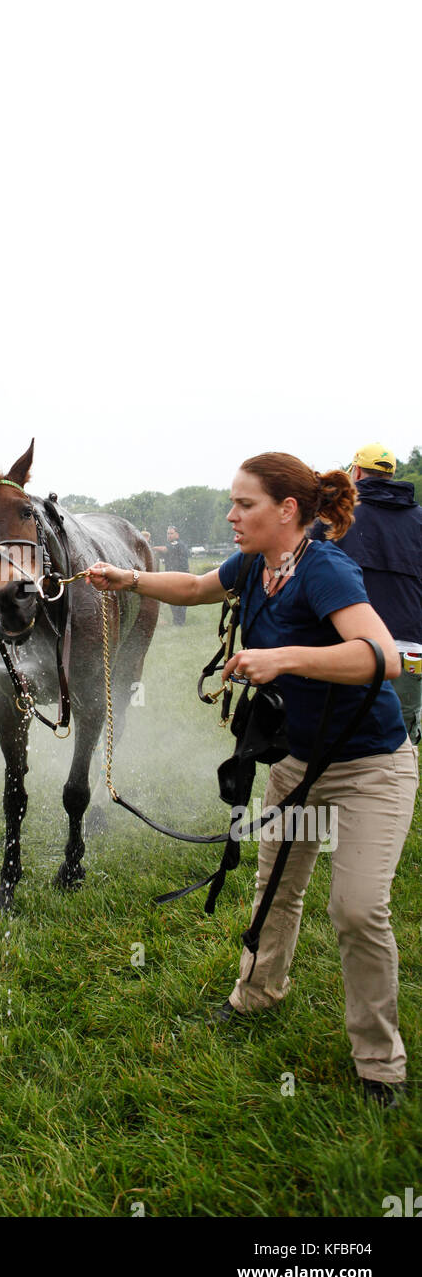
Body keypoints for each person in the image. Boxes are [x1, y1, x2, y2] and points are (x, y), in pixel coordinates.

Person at [86, 453, 417, 1108]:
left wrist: (281, 657)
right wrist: (127, 579)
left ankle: (380, 1063)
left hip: (369, 769)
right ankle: (258, 993)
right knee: (275, 890)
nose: (231, 516)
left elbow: (381, 657)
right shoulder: (254, 566)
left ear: (287, 510)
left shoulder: (324, 569)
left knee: (357, 910)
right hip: (297, 765)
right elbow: (197, 587)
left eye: (245, 505)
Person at [310, 443, 422, 747]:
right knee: (400, 740)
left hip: (349, 642)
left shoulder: (337, 514)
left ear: (356, 471)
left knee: (340, 735)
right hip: (408, 645)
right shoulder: (419, 518)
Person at [153, 526, 190, 625]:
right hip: (172, 576)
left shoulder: (178, 544)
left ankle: (180, 622)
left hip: (181, 576)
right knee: (172, 599)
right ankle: (177, 621)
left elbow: (164, 550)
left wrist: (151, 548)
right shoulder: (170, 544)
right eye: (168, 533)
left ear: (177, 535)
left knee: (180, 599)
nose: (169, 535)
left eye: (171, 533)